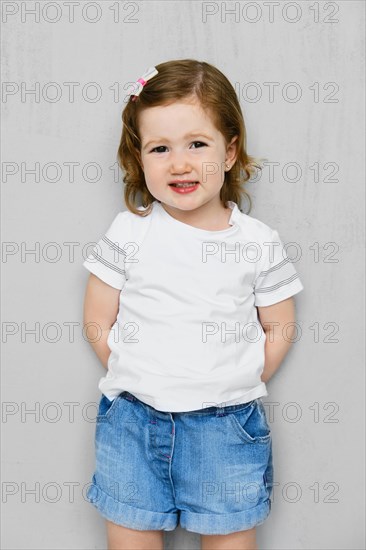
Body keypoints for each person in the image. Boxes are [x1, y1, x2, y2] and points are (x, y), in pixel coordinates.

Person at [82, 59, 304, 550]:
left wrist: (232, 377)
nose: (179, 164)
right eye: (160, 148)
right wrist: (136, 373)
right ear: (140, 159)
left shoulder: (257, 241)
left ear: (229, 152)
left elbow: (280, 325)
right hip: (134, 422)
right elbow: (97, 319)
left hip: (224, 426)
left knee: (229, 539)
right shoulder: (130, 232)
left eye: (196, 145)